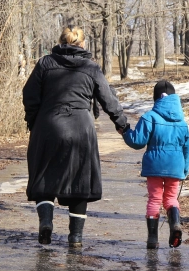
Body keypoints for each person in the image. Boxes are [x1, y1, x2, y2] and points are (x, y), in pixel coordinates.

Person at [22, 26, 128, 248]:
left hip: (48, 125)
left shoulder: (45, 64)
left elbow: (29, 94)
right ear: (83, 44)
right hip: (81, 128)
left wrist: (34, 121)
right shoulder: (91, 68)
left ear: (61, 42)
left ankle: (46, 223)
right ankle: (76, 238)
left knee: (44, 176)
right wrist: (122, 124)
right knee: (81, 180)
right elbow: (108, 98)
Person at [122, 80, 189, 249]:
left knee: (154, 199)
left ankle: (153, 239)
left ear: (156, 98)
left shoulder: (149, 117)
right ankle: (175, 225)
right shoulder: (182, 122)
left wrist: (125, 131)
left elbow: (138, 142)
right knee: (171, 199)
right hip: (175, 166)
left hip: (154, 165)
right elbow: (187, 148)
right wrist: (185, 169)